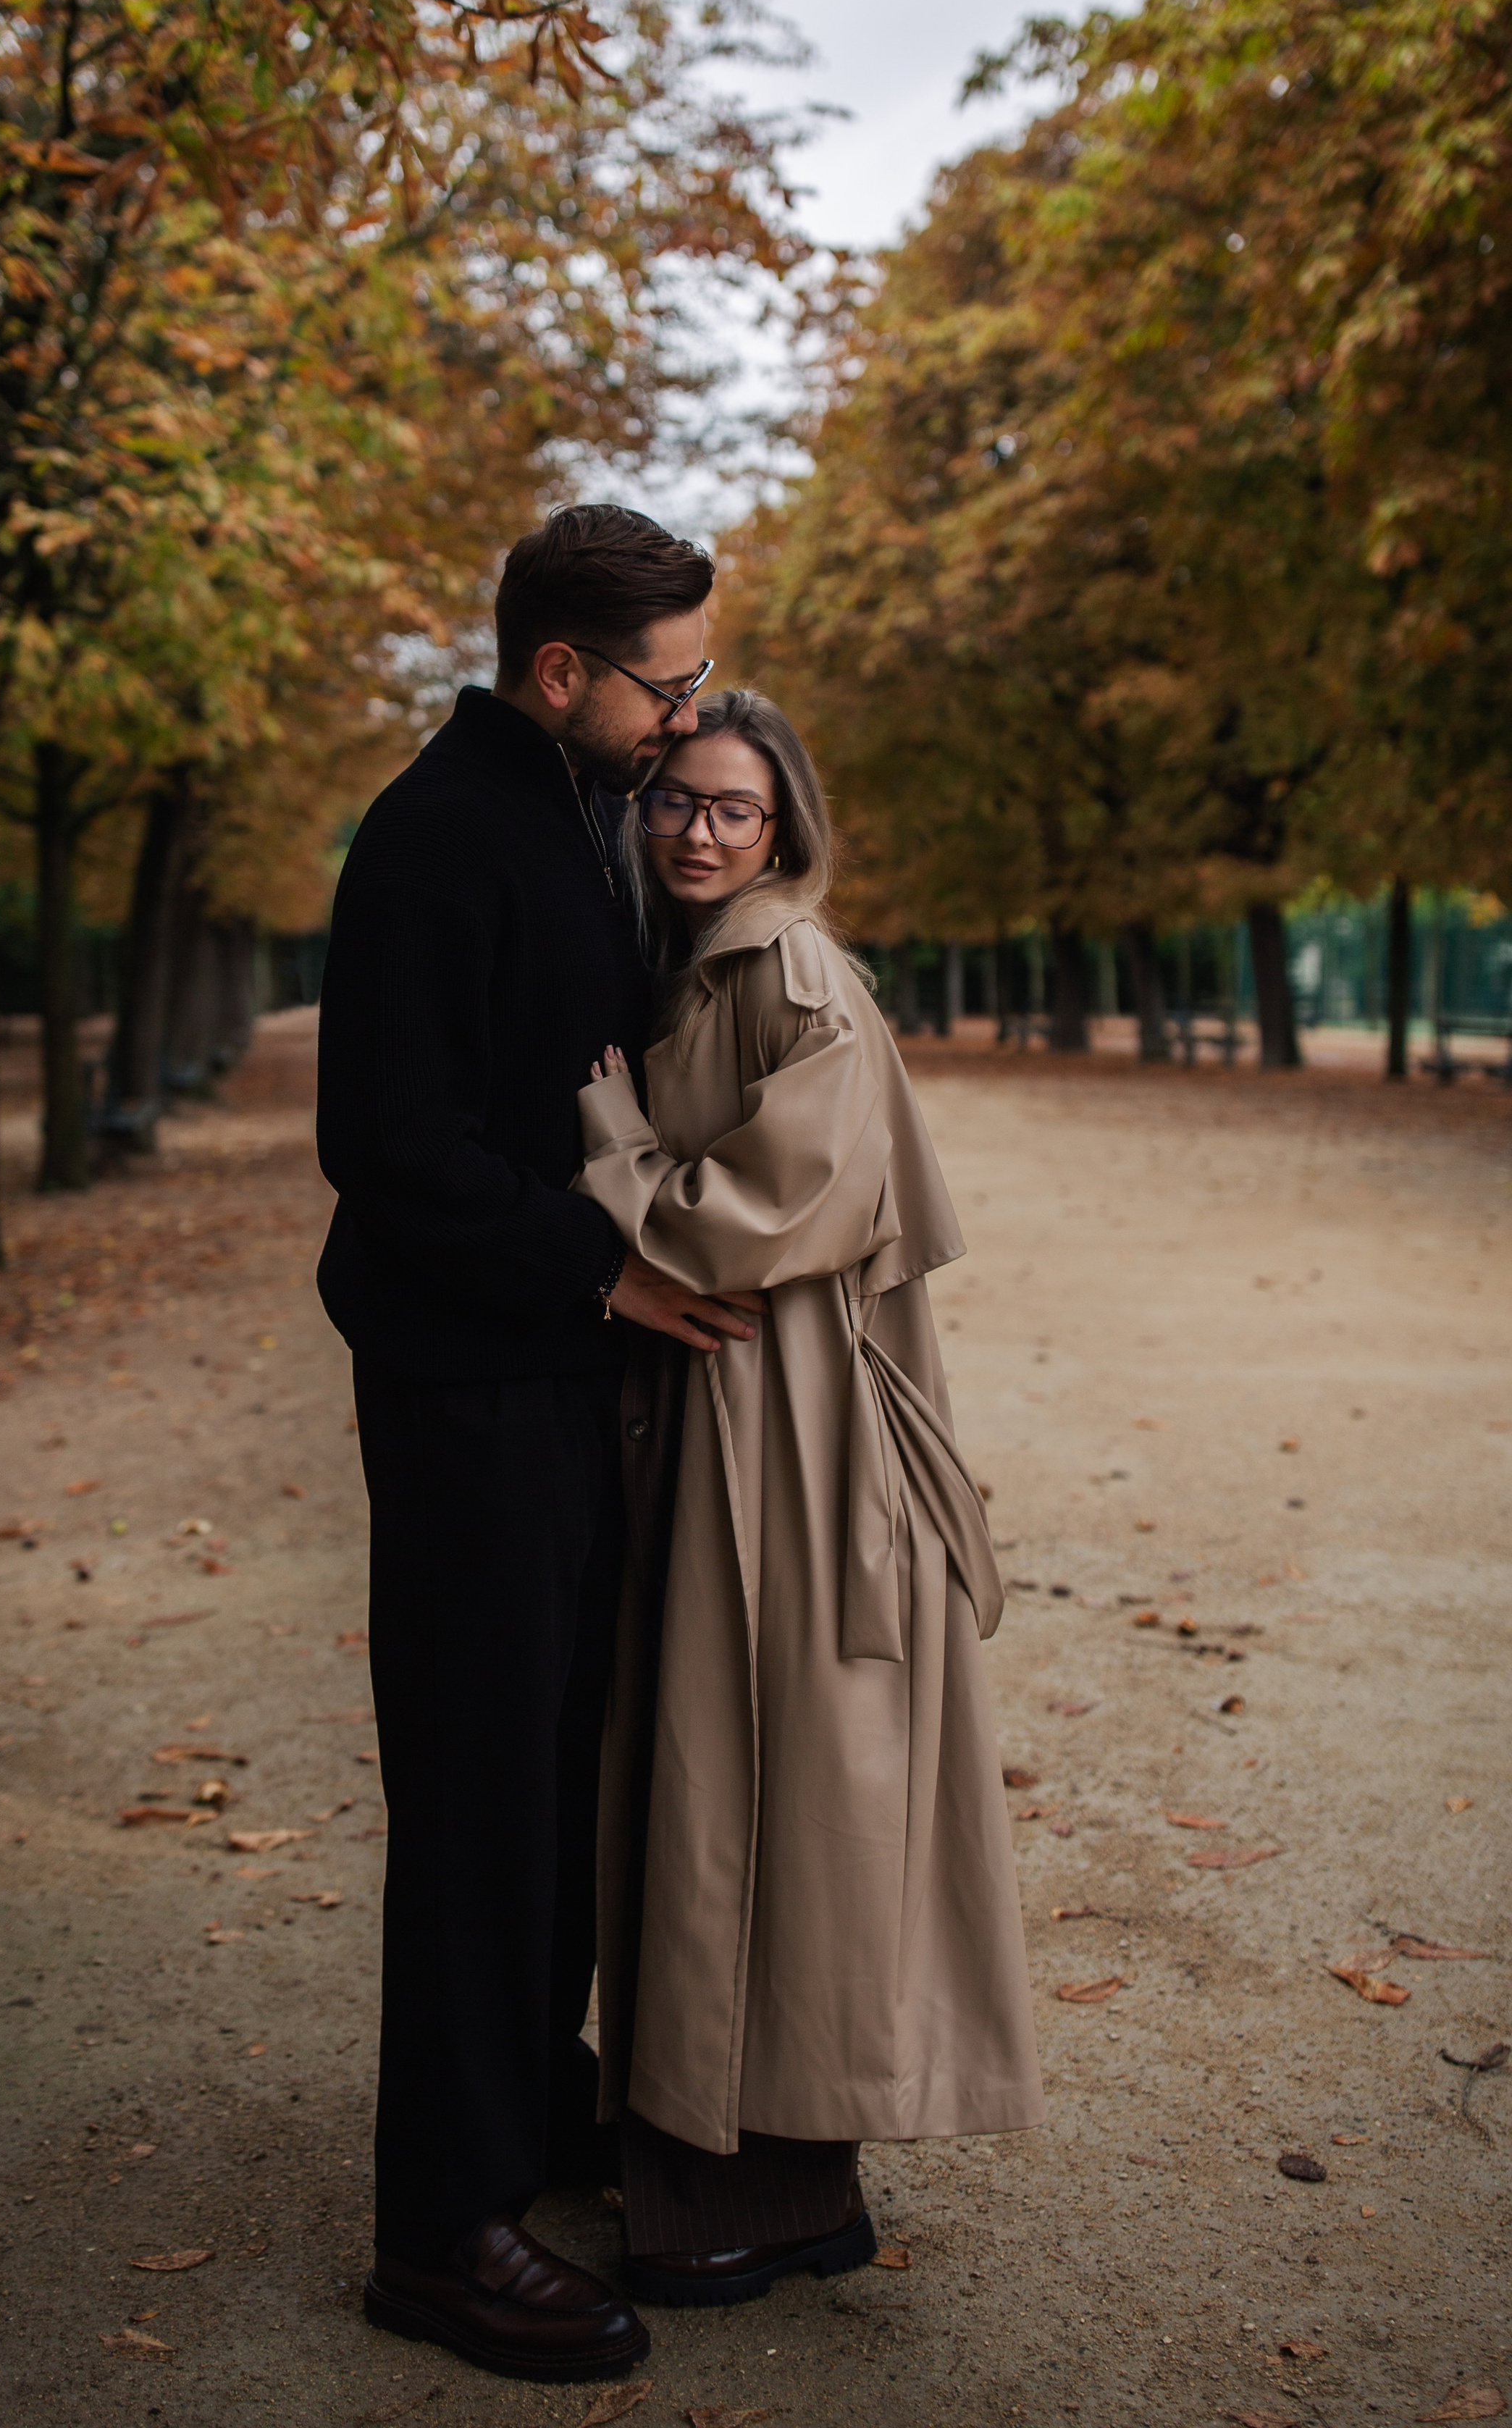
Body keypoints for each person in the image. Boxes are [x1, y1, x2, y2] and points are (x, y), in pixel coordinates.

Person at [314, 507, 760, 2384]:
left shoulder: (571, 808)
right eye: (669, 685)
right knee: (485, 1798)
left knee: (562, 1777)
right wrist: (599, 1273)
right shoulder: (435, 835)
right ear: (562, 673)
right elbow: (389, 1149)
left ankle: (530, 2109)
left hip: (557, 1384)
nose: (689, 720)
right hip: (470, 1390)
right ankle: (439, 2231)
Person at [576, 688, 1045, 2307]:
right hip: (737, 1412)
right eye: (675, 803)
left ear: (783, 828)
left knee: (756, 1778)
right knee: (721, 1771)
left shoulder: (789, 970)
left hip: (789, 1430)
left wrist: (610, 1145)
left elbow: (739, 1222)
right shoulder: (705, 961)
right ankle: (723, 2169)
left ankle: (749, 2196)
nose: (698, 832)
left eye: (733, 810)